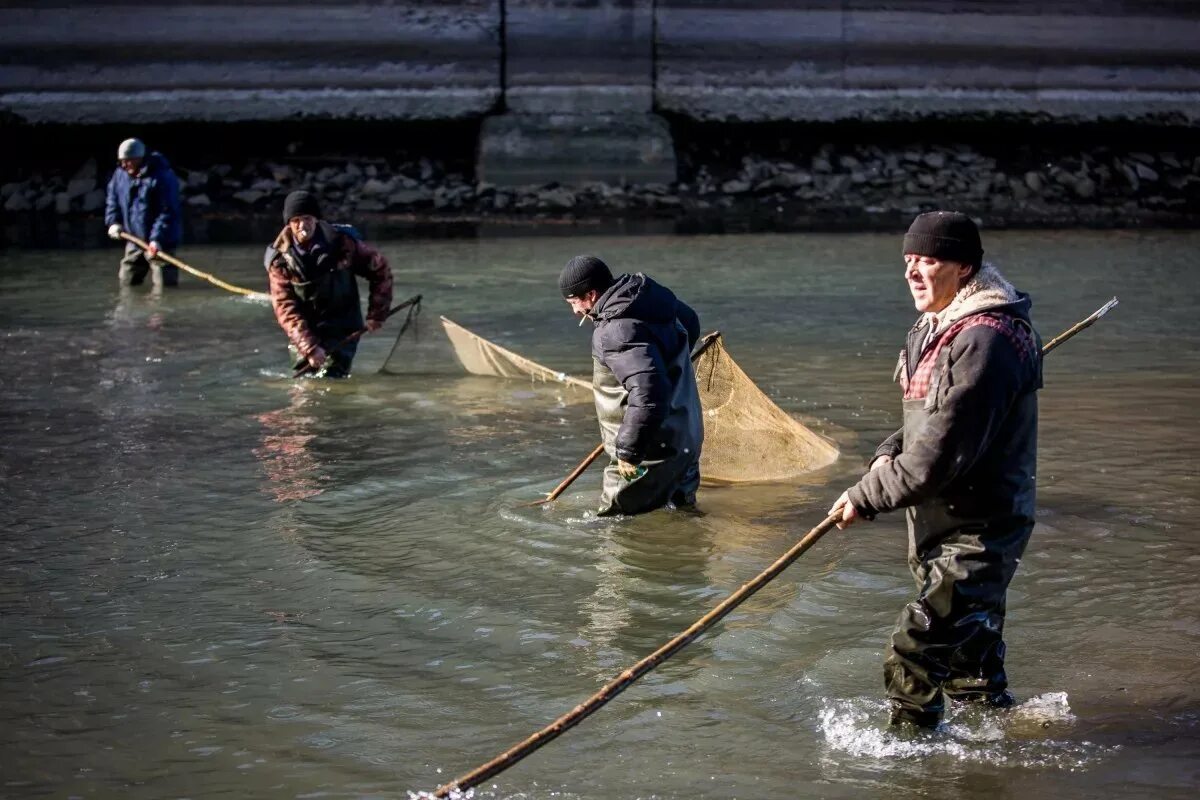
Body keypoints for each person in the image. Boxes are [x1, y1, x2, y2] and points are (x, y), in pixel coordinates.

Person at [828, 211, 1043, 728]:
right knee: (970, 659)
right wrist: (885, 452)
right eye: (908, 261)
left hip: (980, 531)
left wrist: (864, 495)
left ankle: (910, 762)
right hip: (937, 524)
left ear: (965, 267)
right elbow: (926, 424)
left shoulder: (986, 341)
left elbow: (938, 456)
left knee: (915, 650)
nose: (913, 271)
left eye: (928, 260)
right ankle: (997, 751)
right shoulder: (936, 328)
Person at [559, 255, 703, 516]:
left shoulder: (615, 331)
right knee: (682, 516)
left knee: (614, 528)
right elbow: (690, 321)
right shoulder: (650, 300)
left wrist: (628, 451)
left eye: (574, 302)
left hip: (649, 451)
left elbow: (649, 394)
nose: (575, 311)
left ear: (591, 294)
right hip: (685, 438)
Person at [264, 190, 393, 378]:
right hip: (305, 327)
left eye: (307, 218)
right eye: (296, 220)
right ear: (289, 224)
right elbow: (284, 307)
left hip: (343, 326)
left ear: (316, 219)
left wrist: (377, 314)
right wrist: (309, 347)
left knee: (333, 377)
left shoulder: (343, 243)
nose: (302, 225)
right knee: (304, 382)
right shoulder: (279, 260)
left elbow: (381, 270)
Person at [104, 138, 183, 289]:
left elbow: (167, 212)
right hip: (134, 239)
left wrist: (156, 239)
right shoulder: (120, 174)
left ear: (139, 158)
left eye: (128, 161)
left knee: (165, 286)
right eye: (122, 161)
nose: (124, 165)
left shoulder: (162, 177)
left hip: (160, 242)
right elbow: (112, 199)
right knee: (127, 281)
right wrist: (113, 222)